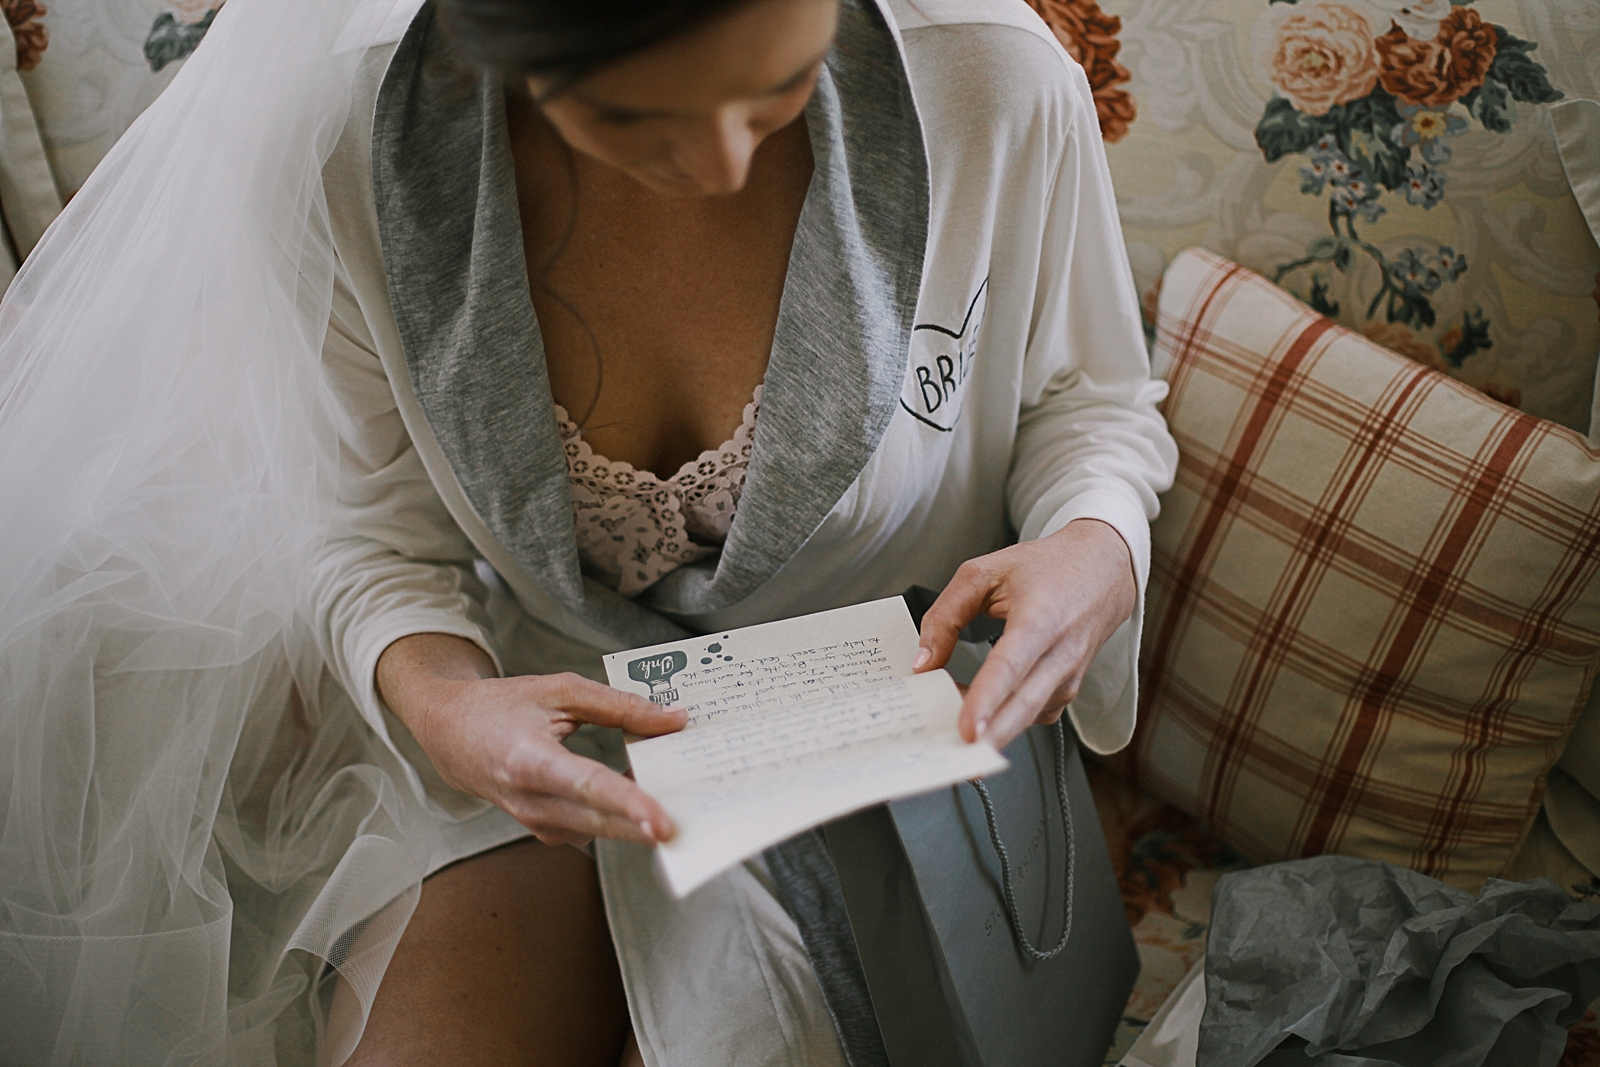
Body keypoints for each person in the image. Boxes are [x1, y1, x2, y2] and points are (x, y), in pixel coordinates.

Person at [0, 0, 1175, 1064]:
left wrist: (1094, 545)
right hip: (537, 727)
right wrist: (442, 703)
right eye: (630, 116)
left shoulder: (990, 80)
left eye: (776, 88)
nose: (722, 169)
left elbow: (1092, 400)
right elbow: (367, 525)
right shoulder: (337, 139)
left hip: (887, 739)